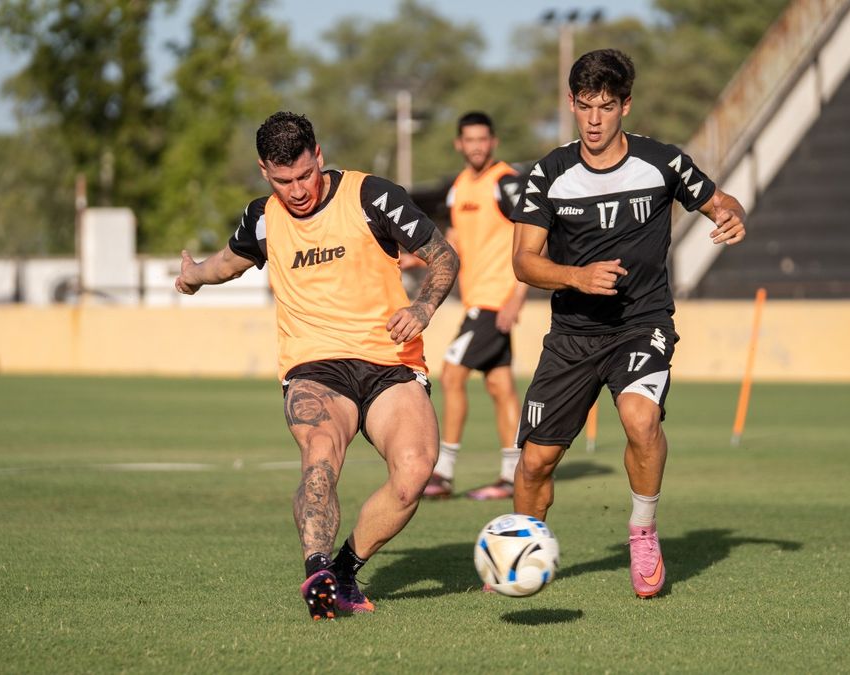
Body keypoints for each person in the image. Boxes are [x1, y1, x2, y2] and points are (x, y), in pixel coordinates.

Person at [174, 111, 459, 619]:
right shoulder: (263, 217)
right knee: (321, 453)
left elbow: (442, 255)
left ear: (319, 157)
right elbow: (229, 261)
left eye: (305, 175)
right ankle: (318, 571)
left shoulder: (372, 196)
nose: (298, 190)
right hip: (315, 365)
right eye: (283, 181)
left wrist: (423, 308)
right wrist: (194, 275)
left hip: (389, 361)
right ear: (266, 172)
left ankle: (344, 570)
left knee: (415, 472)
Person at [509, 49, 747, 598]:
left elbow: (721, 203)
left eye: (607, 106)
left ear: (626, 106)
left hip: (642, 322)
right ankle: (520, 552)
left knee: (640, 420)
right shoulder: (549, 173)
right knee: (536, 462)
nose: (595, 119)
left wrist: (734, 217)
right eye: (585, 106)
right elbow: (524, 262)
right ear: (571, 103)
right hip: (573, 334)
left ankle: (642, 531)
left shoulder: (663, 162)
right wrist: (575, 275)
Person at [421, 111, 528, 501]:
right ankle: (512, 475)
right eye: (470, 139)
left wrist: (517, 297)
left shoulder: (508, 183)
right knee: (500, 386)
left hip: (493, 303)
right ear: (459, 144)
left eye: (483, 139)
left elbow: (533, 238)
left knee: (451, 375)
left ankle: (443, 473)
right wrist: (416, 257)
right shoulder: (459, 188)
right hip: (476, 299)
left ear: (493, 141)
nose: (477, 145)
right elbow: (452, 243)